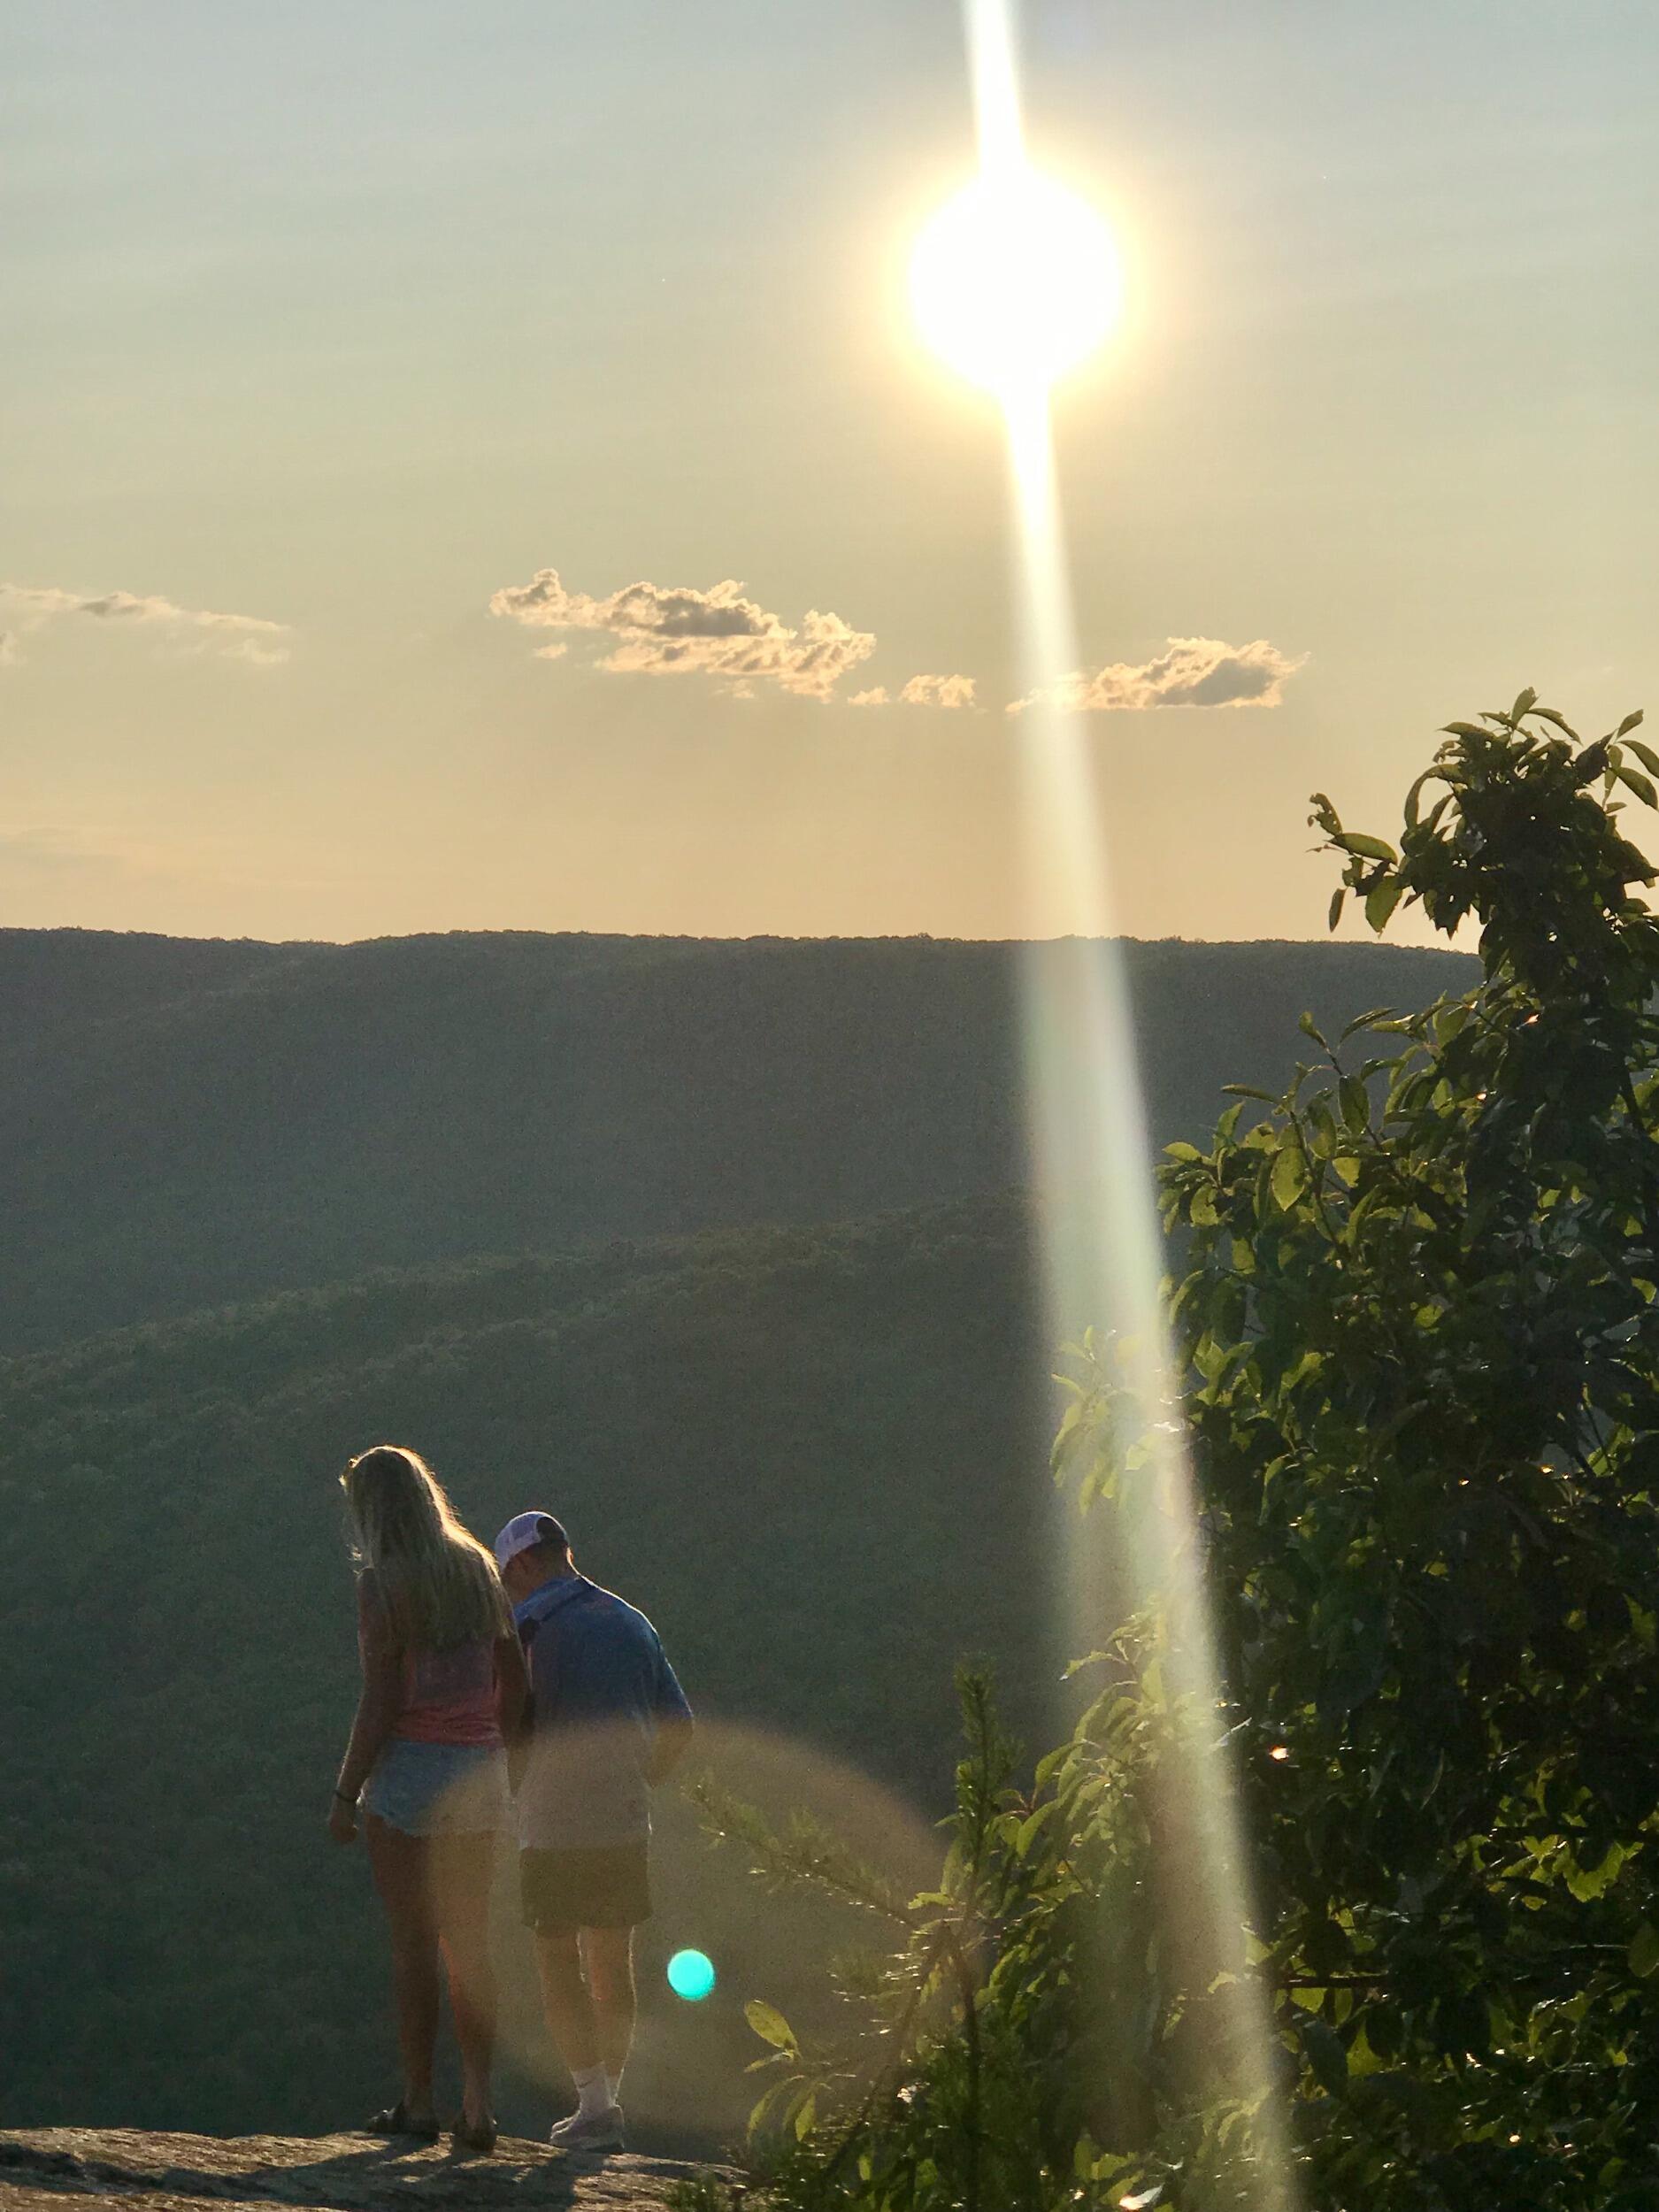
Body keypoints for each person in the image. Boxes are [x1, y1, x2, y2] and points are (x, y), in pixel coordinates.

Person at [329, 1445, 527, 2155]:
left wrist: (346, 1792)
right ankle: (479, 2107)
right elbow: (512, 1676)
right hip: (480, 1775)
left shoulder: (382, 1586)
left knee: (413, 1947)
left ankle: (419, 2103)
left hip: (410, 1777)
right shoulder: (477, 1567)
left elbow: (380, 1698)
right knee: (470, 1944)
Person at [495, 1509, 695, 2152]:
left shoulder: (527, 1627)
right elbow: (678, 1727)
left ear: (522, 1564)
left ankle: (591, 2103)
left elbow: (508, 1725)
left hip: (551, 1816)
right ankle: (609, 2103)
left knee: (557, 1957)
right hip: (622, 1814)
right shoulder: (632, 1621)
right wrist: (643, 1778)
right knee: (612, 1959)